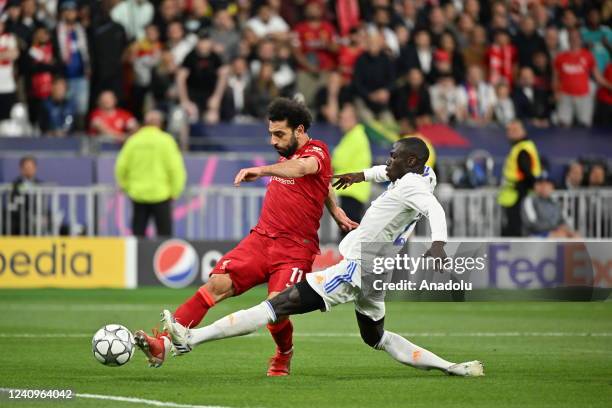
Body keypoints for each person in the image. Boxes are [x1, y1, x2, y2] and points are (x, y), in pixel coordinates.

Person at [157, 138, 484, 378]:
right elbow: (388, 172)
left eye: (394, 157)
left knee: (274, 307)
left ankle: (191, 339)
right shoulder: (424, 175)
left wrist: (439, 245)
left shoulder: (414, 186)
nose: (388, 162)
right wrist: (363, 175)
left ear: (411, 162)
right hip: (376, 271)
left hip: (355, 268)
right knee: (376, 337)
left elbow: (434, 209)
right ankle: (450, 367)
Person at [133, 98, 358, 376]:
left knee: (277, 310)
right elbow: (320, 183)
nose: (273, 141)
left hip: (295, 250)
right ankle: (163, 345)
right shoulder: (287, 153)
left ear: (300, 130)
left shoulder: (317, 151)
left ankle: (283, 353)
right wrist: (334, 209)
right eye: (271, 134)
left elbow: (305, 169)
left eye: (279, 134)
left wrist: (261, 170)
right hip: (261, 239)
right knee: (216, 284)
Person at [114, 110, 186, 237]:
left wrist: (126, 187)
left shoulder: (133, 141)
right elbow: (176, 169)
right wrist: (175, 191)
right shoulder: (166, 141)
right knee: (164, 236)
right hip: (161, 194)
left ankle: (137, 257)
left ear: (145, 123)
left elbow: (121, 166)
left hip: (138, 194)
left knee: (138, 236)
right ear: (160, 123)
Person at [553, 29, 612, 127]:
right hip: (565, 95)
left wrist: (610, 86)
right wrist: (555, 92)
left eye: (576, 37)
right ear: (568, 39)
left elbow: (598, 77)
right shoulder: (560, 57)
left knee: (585, 125)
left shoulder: (588, 55)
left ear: (580, 39)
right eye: (571, 37)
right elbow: (555, 77)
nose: (574, 40)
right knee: (562, 125)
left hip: (584, 96)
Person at [332, 104, 372, 232]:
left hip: (351, 190)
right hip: (351, 190)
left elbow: (339, 161)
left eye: (345, 119)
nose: (341, 122)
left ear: (354, 119)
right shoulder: (353, 136)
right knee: (349, 229)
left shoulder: (355, 137)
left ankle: (350, 253)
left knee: (348, 230)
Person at [498, 120, 542, 237]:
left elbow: (527, 172)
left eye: (515, 130)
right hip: (516, 195)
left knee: (514, 231)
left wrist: (526, 187)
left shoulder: (522, 149)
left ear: (523, 131)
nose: (510, 133)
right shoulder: (523, 147)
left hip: (517, 196)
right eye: (509, 130)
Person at [521, 172, 579, 238]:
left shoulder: (555, 202)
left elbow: (562, 220)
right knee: (561, 237)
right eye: (541, 184)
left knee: (576, 236)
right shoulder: (529, 200)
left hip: (554, 233)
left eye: (548, 184)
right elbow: (532, 224)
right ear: (535, 186)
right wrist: (555, 229)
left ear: (552, 186)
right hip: (534, 235)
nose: (544, 187)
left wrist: (568, 230)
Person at [9, 156, 44, 235]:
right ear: (21, 169)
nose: (28, 170)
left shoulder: (40, 185)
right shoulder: (15, 185)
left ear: (35, 168)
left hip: (38, 217)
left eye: (31, 167)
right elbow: (13, 205)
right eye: (26, 167)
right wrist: (29, 217)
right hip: (20, 219)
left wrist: (44, 216)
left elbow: (43, 205)